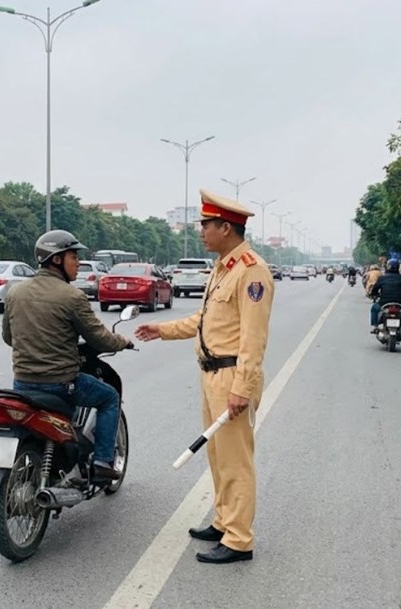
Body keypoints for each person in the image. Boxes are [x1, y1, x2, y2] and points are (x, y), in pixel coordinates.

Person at [135, 189, 274, 564]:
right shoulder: (222, 267)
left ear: (225, 228)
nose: (200, 231)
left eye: (206, 224)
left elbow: (253, 338)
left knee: (235, 461)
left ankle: (239, 539)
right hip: (212, 374)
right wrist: (161, 330)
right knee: (217, 456)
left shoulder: (251, 271)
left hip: (232, 377)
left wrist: (242, 388)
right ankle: (223, 520)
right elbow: (204, 321)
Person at [1, 229, 133, 481]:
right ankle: (104, 462)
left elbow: (9, 338)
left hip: (22, 383)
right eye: (74, 256)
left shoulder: (15, 292)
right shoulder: (72, 296)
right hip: (61, 384)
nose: (79, 263)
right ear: (57, 260)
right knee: (109, 398)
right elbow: (100, 339)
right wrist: (122, 341)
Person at [369, 258, 401, 330]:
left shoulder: (382, 278)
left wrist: (374, 294)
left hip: (384, 302)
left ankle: (375, 325)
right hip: (399, 302)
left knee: (374, 309)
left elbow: (375, 289)